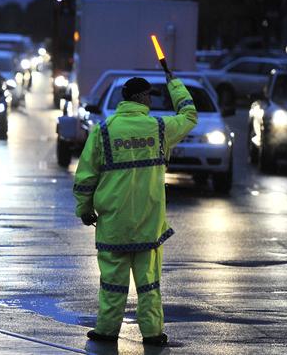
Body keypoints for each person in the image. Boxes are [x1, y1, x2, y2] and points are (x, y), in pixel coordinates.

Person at [72, 73, 197, 346]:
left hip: (113, 224)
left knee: (112, 284)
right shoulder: (159, 129)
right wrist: (174, 84)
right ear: (142, 98)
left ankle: (106, 330)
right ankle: (152, 333)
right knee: (149, 284)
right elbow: (189, 115)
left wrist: (84, 208)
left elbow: (85, 176)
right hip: (148, 224)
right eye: (149, 95)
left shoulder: (104, 131)